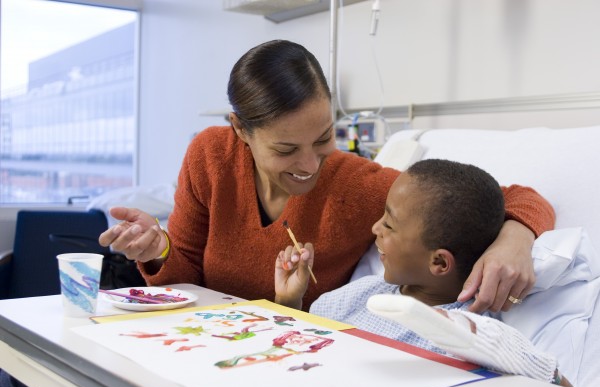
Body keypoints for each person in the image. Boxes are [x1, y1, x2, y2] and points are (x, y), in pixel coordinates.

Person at [98, 39, 555, 313]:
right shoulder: (210, 155)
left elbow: (512, 197)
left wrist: (514, 240)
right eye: (285, 149)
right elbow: (184, 280)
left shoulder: (355, 184)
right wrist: (159, 248)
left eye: (322, 138)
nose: (309, 165)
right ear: (240, 130)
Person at [274, 159, 572, 387]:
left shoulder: (471, 338)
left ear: (440, 263)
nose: (375, 228)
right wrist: (288, 304)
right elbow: (295, 349)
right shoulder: (358, 295)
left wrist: (533, 365)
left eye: (389, 225)